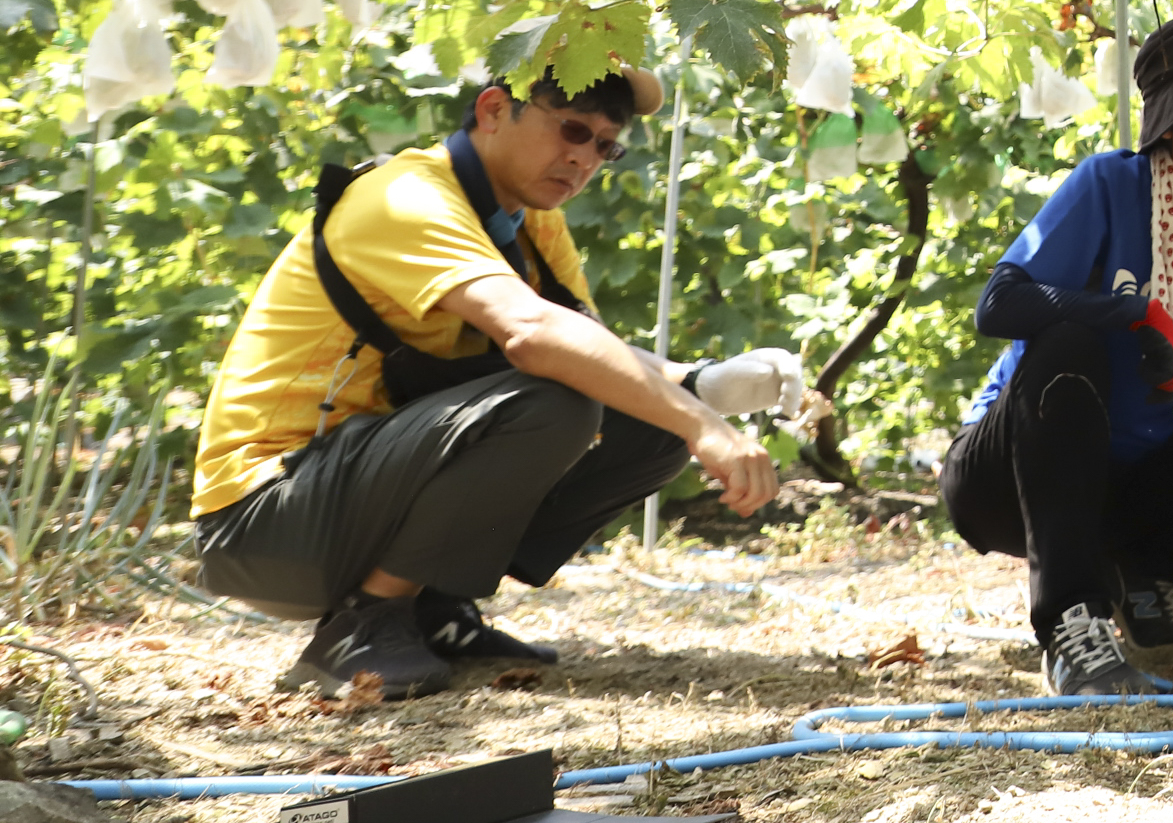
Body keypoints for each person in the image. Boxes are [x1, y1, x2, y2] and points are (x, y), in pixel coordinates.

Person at [192, 65, 795, 699]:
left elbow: (595, 348)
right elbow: (532, 333)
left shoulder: (531, 220)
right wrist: (704, 425)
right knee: (556, 400)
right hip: (265, 521)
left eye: (604, 146)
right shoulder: (405, 197)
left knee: (648, 416)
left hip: (349, 495)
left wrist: (704, 386)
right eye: (570, 129)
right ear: (492, 110)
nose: (583, 157)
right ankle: (361, 625)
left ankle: (432, 609)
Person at [938, 16, 1173, 695]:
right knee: (1067, 343)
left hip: (1139, 488)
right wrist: (1128, 312)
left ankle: (1136, 568)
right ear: (1172, 123)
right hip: (1011, 478)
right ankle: (1070, 626)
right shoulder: (1113, 186)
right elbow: (998, 303)